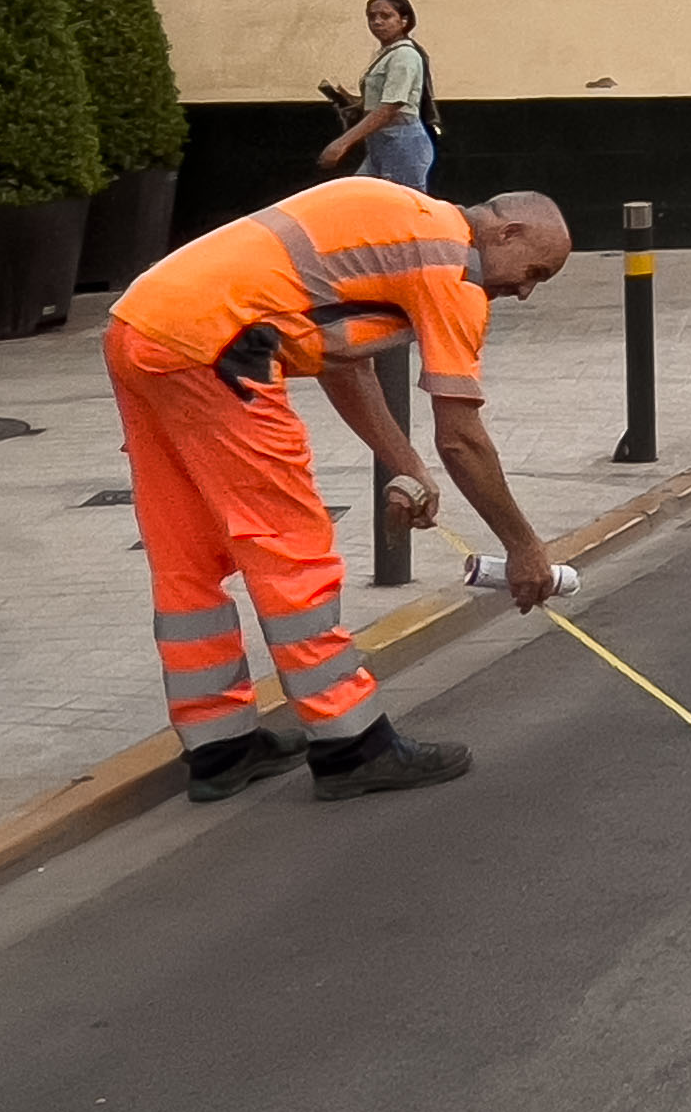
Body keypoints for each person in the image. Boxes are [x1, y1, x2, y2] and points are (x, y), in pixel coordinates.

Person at [102, 177, 574, 800]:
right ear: (506, 232)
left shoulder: (403, 221)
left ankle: (221, 747)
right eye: (533, 270)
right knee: (288, 549)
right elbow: (462, 437)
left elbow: (340, 359)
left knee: (186, 550)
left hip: (139, 329)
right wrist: (525, 548)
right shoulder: (452, 271)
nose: (525, 291)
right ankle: (353, 745)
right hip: (220, 349)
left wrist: (406, 466)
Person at [319, 0, 436, 188]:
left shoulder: (404, 56)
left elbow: (390, 108)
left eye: (386, 16)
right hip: (382, 143)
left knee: (399, 207)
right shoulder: (386, 53)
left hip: (401, 144)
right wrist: (353, 102)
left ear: (404, 20)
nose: (377, 22)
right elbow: (383, 102)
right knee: (362, 197)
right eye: (372, 17)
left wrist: (342, 143)